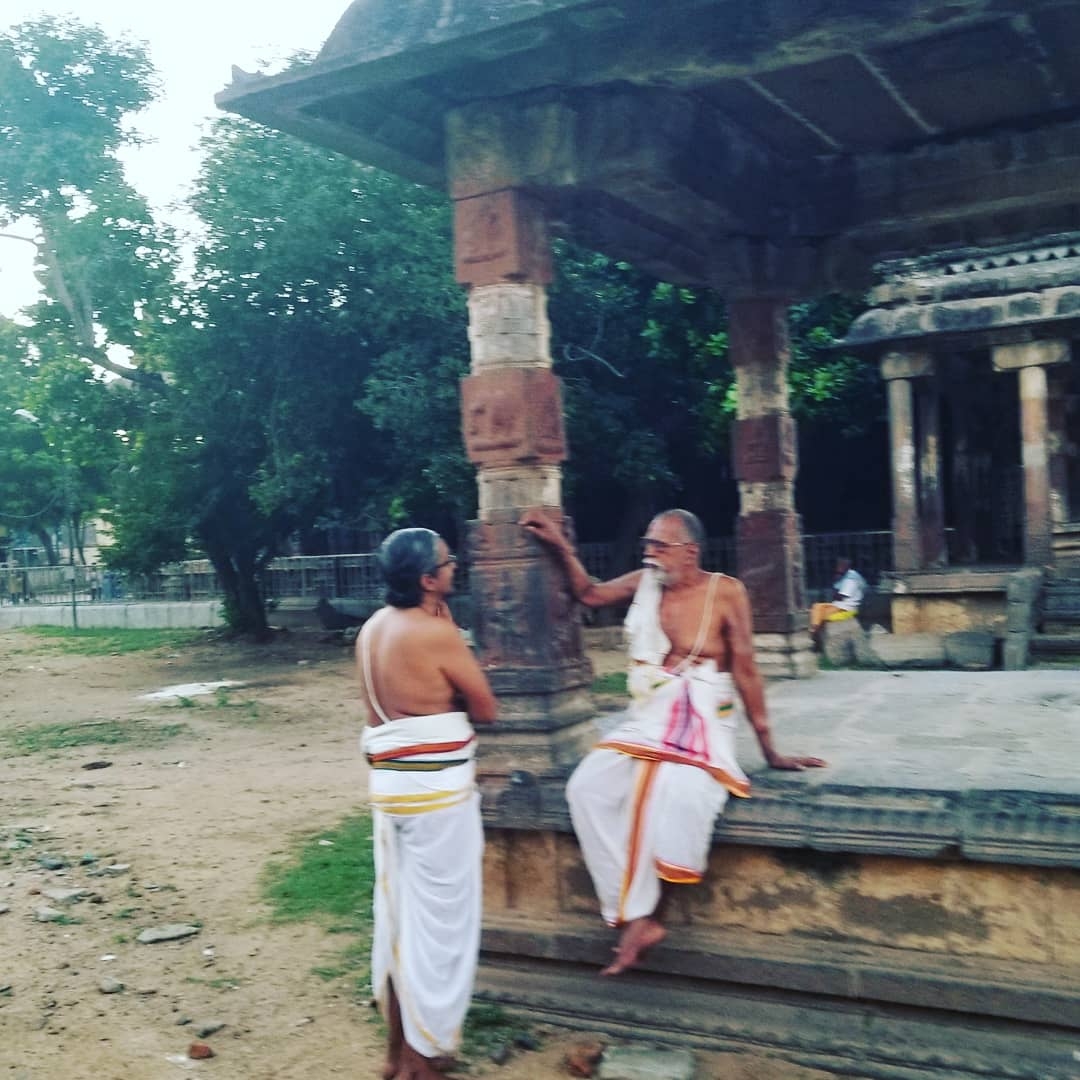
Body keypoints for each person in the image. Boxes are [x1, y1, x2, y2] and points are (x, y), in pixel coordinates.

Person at [520, 507, 825, 976]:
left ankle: (650, 918)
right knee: (586, 789)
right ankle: (635, 911)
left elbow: (746, 669)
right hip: (651, 718)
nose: (650, 553)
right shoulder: (647, 583)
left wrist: (770, 749)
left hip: (704, 720)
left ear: (690, 552)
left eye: (660, 546)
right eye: (648, 544)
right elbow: (590, 594)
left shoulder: (726, 592)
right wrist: (559, 544)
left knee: (677, 797)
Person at [356, 528, 498, 1080]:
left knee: (396, 923)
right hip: (436, 800)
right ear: (427, 579)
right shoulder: (434, 634)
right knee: (439, 932)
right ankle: (423, 1059)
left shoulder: (372, 629)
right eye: (448, 561)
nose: (455, 565)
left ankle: (395, 1056)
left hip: (391, 794)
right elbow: (485, 707)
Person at [809, 557, 867, 650]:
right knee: (816, 606)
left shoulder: (851, 579)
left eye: (840, 564)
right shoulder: (846, 575)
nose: (837, 566)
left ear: (847, 565)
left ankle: (815, 635)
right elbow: (835, 592)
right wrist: (837, 579)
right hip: (838, 605)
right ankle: (814, 631)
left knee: (820, 615)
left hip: (846, 607)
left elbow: (839, 596)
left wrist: (836, 584)